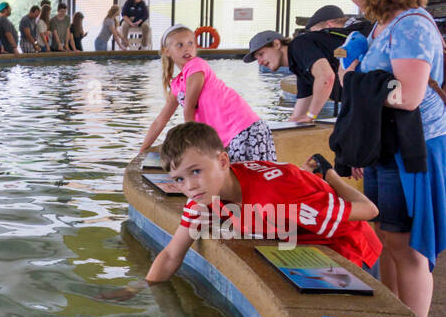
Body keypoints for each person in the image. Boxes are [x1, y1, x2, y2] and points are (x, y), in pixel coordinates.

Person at [335, 0, 446, 317]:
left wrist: (353, 82)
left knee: (407, 245)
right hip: (385, 145)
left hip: (413, 147)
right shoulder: (383, 24)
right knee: (383, 234)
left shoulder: (412, 25)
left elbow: (409, 97)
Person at [144, 122, 381, 284]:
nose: (190, 186)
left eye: (196, 171)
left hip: (349, 248)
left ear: (223, 161)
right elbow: (171, 255)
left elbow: (369, 210)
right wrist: (144, 293)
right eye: (179, 179)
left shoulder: (276, 195)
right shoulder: (202, 198)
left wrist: (331, 177)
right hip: (300, 241)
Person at [137, 25, 275, 163]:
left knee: (253, 180)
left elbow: (189, 109)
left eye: (191, 43)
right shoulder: (178, 84)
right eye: (180, 45)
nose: (187, 48)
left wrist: (191, 147)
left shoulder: (196, 65)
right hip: (230, 137)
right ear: (166, 51)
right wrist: (142, 152)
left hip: (245, 129)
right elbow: (160, 120)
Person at [245, 18, 343, 122]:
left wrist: (310, 116)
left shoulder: (299, 45)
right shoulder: (300, 69)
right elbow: (297, 116)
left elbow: (326, 77)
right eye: (257, 58)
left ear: (277, 44)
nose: (259, 62)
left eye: (261, 54)